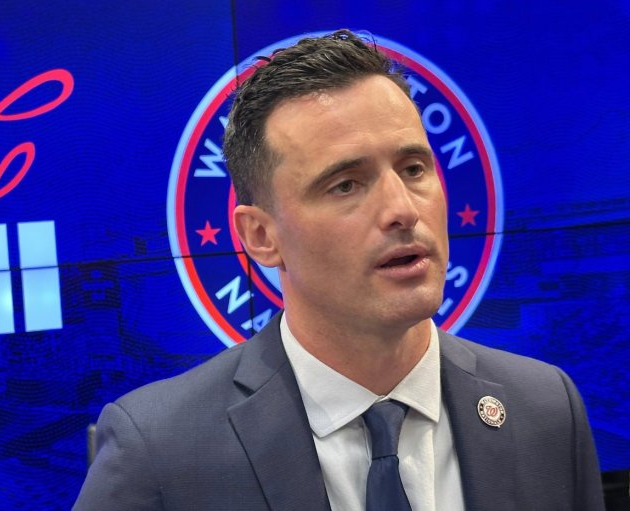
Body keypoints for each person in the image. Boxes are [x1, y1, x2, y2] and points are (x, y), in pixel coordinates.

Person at [73, 29, 604, 510]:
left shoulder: (546, 408)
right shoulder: (159, 453)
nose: (402, 209)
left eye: (413, 168)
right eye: (346, 185)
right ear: (261, 236)